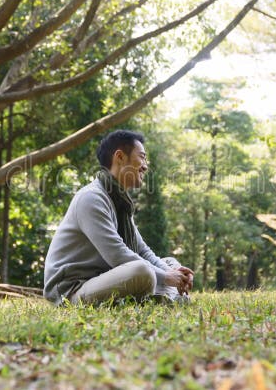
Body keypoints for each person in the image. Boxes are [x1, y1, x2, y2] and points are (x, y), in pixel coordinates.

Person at [43, 130, 194, 305]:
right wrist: (166, 277)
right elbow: (117, 255)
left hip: (103, 278)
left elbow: (142, 250)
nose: (145, 165)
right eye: (142, 157)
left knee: (170, 262)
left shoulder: (119, 202)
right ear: (120, 157)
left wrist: (174, 272)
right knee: (142, 272)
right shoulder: (91, 197)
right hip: (72, 290)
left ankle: (162, 298)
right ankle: (167, 299)